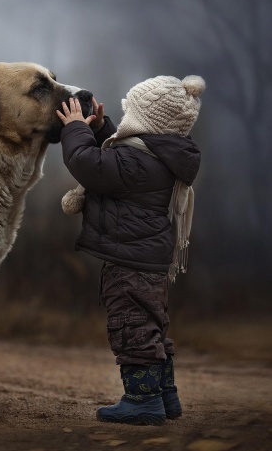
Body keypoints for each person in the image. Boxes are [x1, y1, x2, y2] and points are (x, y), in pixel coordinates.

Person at [56, 75, 204, 425]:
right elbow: (116, 156)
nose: (124, 120)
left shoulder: (136, 164)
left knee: (132, 327)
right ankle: (165, 396)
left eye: (129, 112)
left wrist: (75, 129)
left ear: (146, 120)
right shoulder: (155, 156)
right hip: (148, 260)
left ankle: (142, 401)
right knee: (151, 325)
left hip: (130, 263)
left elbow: (86, 162)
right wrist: (99, 127)